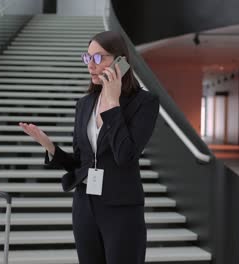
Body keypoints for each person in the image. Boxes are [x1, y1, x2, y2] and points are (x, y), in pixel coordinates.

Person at [19, 30, 160, 264]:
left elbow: (125, 155)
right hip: (85, 206)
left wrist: (113, 103)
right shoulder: (85, 104)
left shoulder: (144, 102)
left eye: (98, 58)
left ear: (121, 61)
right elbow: (81, 162)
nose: (90, 65)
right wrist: (50, 146)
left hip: (121, 208)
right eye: (87, 58)